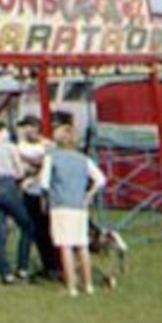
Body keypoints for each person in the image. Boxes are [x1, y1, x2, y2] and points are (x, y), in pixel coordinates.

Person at [40, 124, 106, 297]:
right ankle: (89, 285)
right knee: (82, 244)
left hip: (61, 205)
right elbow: (100, 179)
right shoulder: (83, 159)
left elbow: (44, 183)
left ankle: (72, 287)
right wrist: (88, 195)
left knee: (66, 246)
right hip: (80, 206)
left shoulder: (52, 158)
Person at [0, 120, 33, 284]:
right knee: (28, 226)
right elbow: (19, 171)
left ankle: (5, 272)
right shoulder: (10, 147)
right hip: (8, 186)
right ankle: (22, 267)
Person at [16, 116, 60, 280]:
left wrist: (34, 163)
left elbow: (50, 161)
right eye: (24, 128)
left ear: (36, 127)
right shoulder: (22, 146)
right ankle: (42, 266)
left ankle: (54, 266)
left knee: (48, 230)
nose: (26, 131)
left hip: (45, 192)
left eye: (28, 127)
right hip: (29, 192)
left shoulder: (48, 144)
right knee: (33, 231)